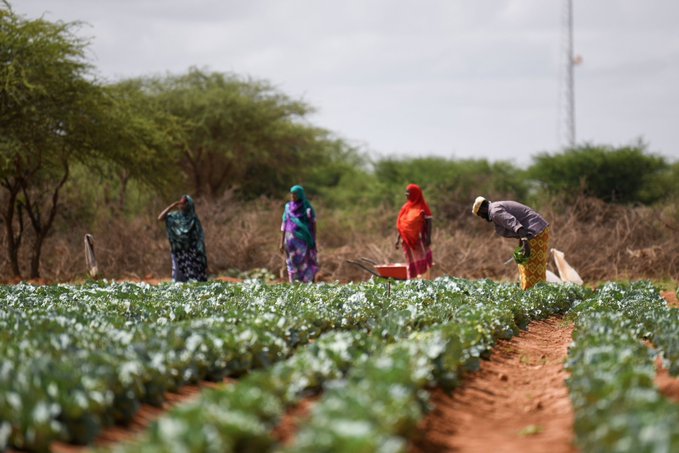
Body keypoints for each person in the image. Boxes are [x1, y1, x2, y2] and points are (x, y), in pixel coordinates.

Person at [472, 196, 550, 290]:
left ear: (483, 209)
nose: (483, 218)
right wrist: (522, 243)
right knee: (526, 265)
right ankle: (530, 292)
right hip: (535, 231)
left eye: (481, 215)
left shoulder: (494, 212)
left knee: (532, 267)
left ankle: (536, 294)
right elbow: (520, 227)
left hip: (535, 232)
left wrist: (525, 242)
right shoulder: (496, 207)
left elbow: (516, 225)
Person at [158, 195, 208, 282]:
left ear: (189, 205)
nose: (181, 205)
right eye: (180, 203)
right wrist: (172, 206)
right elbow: (160, 218)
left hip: (191, 251)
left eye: (184, 203)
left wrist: (199, 249)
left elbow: (199, 236)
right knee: (178, 273)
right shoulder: (174, 216)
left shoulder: (193, 219)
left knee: (193, 274)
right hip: (178, 250)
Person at [279, 185, 319, 283]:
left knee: (304, 262)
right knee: (290, 262)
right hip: (289, 241)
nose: (293, 195)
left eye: (295, 193)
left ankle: (306, 283)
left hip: (303, 241)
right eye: (292, 193)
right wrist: (281, 242)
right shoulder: (288, 207)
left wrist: (313, 239)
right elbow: (284, 224)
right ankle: (293, 284)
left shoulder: (307, 208)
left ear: (300, 194)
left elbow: (313, 224)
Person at [395, 183, 433, 279]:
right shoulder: (405, 208)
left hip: (419, 240)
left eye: (408, 192)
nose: (406, 194)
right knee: (410, 261)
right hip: (407, 241)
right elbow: (401, 225)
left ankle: (424, 282)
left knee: (421, 260)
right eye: (406, 192)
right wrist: (397, 239)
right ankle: (413, 282)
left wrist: (428, 237)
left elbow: (429, 222)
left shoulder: (422, 207)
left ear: (415, 193)